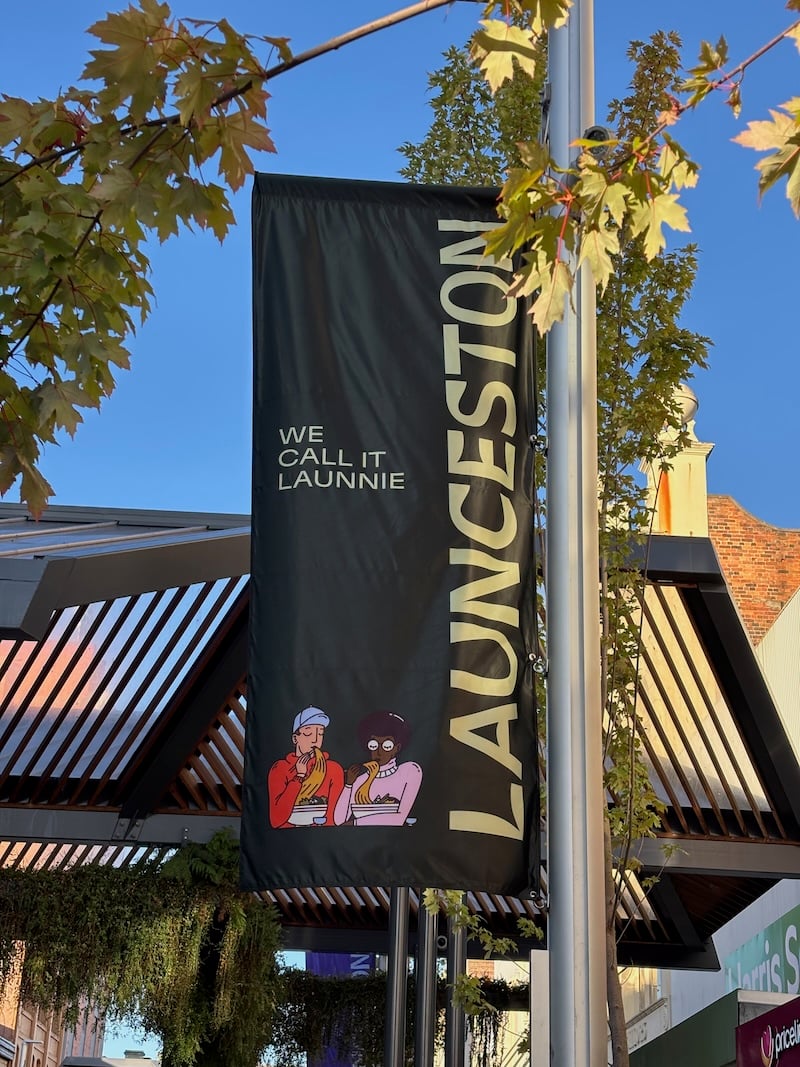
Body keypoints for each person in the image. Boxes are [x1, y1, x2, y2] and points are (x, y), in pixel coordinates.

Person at [334, 710, 422, 827]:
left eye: (387, 746)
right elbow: (339, 820)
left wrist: (355, 823)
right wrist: (349, 785)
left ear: (397, 748)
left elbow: (399, 817)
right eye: (374, 745)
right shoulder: (360, 780)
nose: (379, 752)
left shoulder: (410, 771)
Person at [268, 706, 344, 828]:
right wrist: (299, 777)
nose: (315, 740)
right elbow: (276, 820)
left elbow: (333, 819)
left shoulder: (333, 769)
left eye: (320, 733)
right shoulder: (280, 769)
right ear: (295, 738)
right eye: (308, 733)